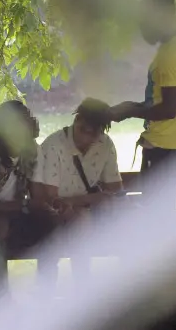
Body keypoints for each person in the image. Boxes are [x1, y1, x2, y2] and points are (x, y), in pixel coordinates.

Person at [109, 0, 176, 233]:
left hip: (164, 145)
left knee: (156, 217)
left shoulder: (170, 54)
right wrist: (135, 107)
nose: (141, 27)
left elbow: (169, 108)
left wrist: (130, 110)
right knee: (160, 212)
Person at [0, 100, 55, 291]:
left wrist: (48, 208)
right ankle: (1, 294)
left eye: (30, 117)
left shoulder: (33, 150)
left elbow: (37, 196)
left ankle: (46, 292)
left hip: (16, 212)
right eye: (26, 119)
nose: (33, 122)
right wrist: (24, 206)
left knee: (51, 225)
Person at [36, 98, 124, 288]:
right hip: (54, 213)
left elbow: (115, 189)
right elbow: (52, 199)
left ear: (102, 130)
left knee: (132, 223)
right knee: (76, 224)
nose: (87, 137)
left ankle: (129, 290)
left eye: (94, 133)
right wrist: (93, 198)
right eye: (83, 129)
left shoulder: (105, 145)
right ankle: (81, 286)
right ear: (76, 121)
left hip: (89, 212)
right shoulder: (54, 145)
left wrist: (98, 201)